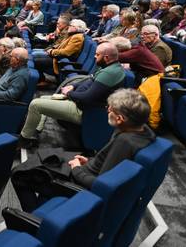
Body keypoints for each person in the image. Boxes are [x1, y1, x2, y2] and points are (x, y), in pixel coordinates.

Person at [12, 89, 155, 212]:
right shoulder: (143, 131)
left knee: (19, 174)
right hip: (87, 167)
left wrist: (76, 169)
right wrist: (90, 161)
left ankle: (35, 222)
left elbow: (101, 185)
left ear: (120, 119)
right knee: (44, 158)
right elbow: (108, 164)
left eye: (110, 109)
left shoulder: (124, 142)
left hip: (81, 182)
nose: (107, 110)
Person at [19, 42, 126, 149]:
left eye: (97, 55)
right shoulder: (110, 67)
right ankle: (37, 128)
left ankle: (25, 139)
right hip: (78, 101)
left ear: (106, 57)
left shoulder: (109, 73)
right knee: (42, 98)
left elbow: (87, 98)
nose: (95, 56)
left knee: (35, 104)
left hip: (83, 110)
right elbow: (89, 79)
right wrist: (73, 86)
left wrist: (69, 94)